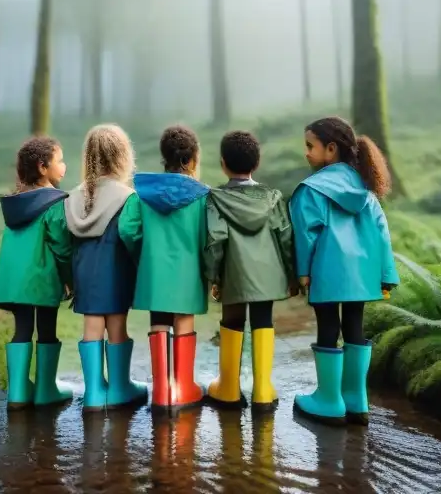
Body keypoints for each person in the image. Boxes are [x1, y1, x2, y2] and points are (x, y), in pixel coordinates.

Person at [289, 116, 400, 426]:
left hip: (327, 271)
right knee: (354, 325)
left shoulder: (310, 190)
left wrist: (302, 272)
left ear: (331, 149)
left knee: (327, 326)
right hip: (362, 274)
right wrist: (386, 274)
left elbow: (304, 234)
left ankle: (328, 400)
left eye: (310, 146)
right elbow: (381, 234)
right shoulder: (367, 188)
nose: (307, 153)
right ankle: (356, 398)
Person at [119, 124, 209, 413]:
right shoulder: (202, 195)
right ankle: (183, 389)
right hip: (188, 271)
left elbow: (127, 230)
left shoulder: (141, 193)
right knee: (184, 319)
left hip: (154, 271)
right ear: (192, 158)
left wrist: (142, 255)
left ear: (164, 157)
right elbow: (210, 234)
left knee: (158, 320)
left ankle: (161, 390)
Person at [204, 130, 295, 412]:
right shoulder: (273, 197)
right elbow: (285, 236)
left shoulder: (215, 198)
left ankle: (229, 390)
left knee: (231, 321)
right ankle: (262, 391)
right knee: (263, 321)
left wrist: (214, 277)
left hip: (234, 272)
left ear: (222, 163)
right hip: (267, 275)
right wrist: (293, 274)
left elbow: (215, 239)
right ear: (256, 163)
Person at [65, 124, 148, 412]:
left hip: (85, 272)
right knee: (116, 324)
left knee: (91, 325)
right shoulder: (127, 197)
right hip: (116, 268)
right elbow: (131, 234)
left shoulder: (75, 197)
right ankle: (119, 388)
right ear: (123, 156)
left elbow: (67, 239)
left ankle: (93, 393)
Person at [0, 136, 74, 410]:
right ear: (42, 167)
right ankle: (46, 389)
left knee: (22, 329)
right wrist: (70, 277)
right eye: (59, 161)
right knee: (46, 329)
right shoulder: (54, 202)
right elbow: (61, 245)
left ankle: (18, 392)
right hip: (42, 278)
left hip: (14, 282)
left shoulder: (16, 203)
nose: (64, 166)